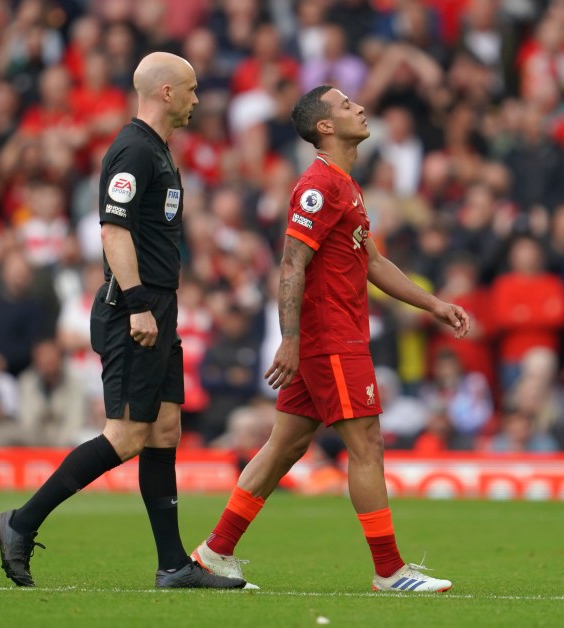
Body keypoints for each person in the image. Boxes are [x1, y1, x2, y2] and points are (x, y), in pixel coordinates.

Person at [190, 85, 470, 593]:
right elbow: (291, 265)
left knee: (282, 449)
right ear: (324, 126)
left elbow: (375, 263)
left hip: (333, 335)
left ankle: (213, 554)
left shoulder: (347, 185)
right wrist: (291, 340)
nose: (360, 108)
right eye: (345, 106)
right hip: (329, 338)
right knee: (367, 444)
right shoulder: (317, 186)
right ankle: (389, 571)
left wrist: (434, 304)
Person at [0, 52, 246, 590]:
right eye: (192, 89)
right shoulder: (132, 149)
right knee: (127, 435)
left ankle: (173, 565)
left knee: (165, 428)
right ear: (166, 93)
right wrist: (136, 304)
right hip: (137, 307)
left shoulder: (158, 150)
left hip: (161, 305)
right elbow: (113, 230)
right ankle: (20, 522)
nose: (199, 99)